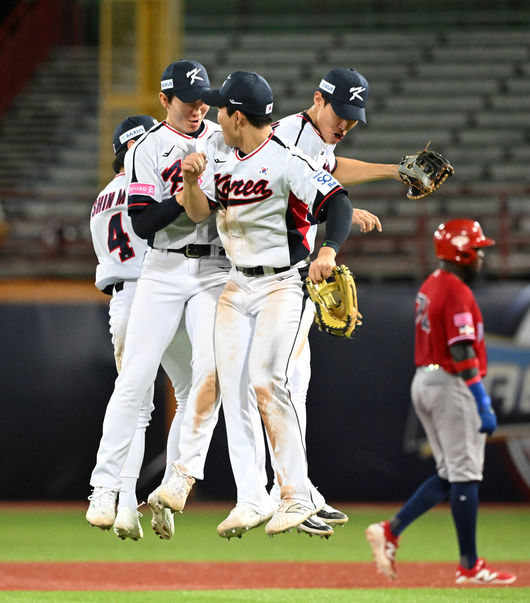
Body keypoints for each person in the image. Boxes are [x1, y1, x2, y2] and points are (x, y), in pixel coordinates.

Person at [178, 70, 354, 537]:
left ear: (237, 116)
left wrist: (329, 251)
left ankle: (296, 496)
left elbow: (339, 203)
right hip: (236, 288)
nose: (216, 116)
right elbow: (198, 211)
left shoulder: (285, 158)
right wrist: (193, 183)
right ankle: (252, 497)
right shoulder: (225, 160)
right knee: (234, 387)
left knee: (267, 380)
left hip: (282, 283)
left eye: (221, 110)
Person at [86, 59, 242, 542]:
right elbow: (143, 224)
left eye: (203, 100)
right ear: (164, 100)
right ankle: (105, 486)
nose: (198, 107)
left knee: (209, 372)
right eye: (188, 100)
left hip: (214, 267)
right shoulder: (146, 148)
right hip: (162, 268)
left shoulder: (221, 137)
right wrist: (184, 189)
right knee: (133, 380)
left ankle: (179, 476)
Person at [271, 67, 407, 537]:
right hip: (274, 270)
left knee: (296, 382)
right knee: (280, 382)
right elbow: (274, 192)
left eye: (353, 117)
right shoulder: (289, 135)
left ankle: (298, 490)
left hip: (291, 268)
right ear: (317, 99)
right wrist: (329, 218)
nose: (346, 123)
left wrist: (391, 171)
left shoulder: (317, 136)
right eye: (341, 112)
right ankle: (285, 494)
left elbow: (331, 171)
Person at [365, 219, 516, 585]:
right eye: (477, 248)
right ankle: (470, 566)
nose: (481, 255)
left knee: (450, 474)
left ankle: (391, 530)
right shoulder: (457, 290)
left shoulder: (432, 282)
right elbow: (461, 348)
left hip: (426, 379)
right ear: (461, 251)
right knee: (465, 475)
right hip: (451, 382)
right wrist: (481, 398)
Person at [89, 114, 158, 540]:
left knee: (134, 408)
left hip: (121, 301)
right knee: (198, 389)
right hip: (157, 293)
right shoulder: (148, 183)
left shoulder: (101, 197)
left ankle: (122, 501)